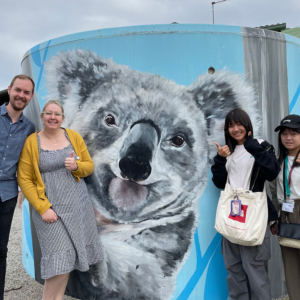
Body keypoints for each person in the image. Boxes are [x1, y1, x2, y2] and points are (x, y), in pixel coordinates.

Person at [17, 100, 103, 300]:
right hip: (50, 210)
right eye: (48, 113)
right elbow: (25, 178)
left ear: (63, 118)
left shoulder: (73, 137)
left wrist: (76, 167)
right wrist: (42, 207)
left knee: (68, 259)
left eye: (57, 114)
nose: (52, 117)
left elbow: (89, 166)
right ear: (42, 116)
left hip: (77, 207)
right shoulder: (32, 142)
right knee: (58, 262)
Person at [211, 108, 280, 300]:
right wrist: (219, 160)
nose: (235, 129)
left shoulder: (260, 145)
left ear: (247, 125)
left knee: (255, 271)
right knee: (234, 270)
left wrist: (252, 146)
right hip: (231, 217)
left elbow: (272, 172)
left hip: (254, 218)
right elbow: (219, 183)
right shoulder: (227, 151)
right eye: (231, 126)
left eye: (239, 124)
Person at [0, 75, 35, 300]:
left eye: (26, 92)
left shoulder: (29, 128)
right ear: (10, 89)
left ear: (30, 97)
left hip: (7, 195)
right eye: (18, 90)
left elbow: (27, 162)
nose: (21, 95)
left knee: (1, 250)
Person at [270, 114, 300, 300]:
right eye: (284, 133)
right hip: (286, 214)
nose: (288, 137)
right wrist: (275, 218)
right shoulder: (278, 161)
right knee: (291, 268)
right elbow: (274, 192)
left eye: (294, 133)